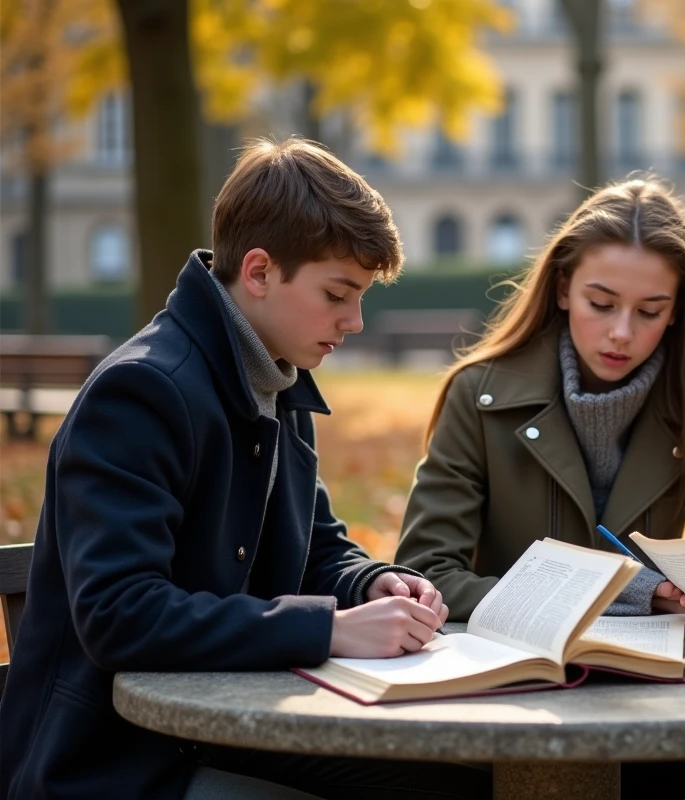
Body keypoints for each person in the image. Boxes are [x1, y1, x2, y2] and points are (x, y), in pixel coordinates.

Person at [0, 138, 490, 800]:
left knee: (455, 781)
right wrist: (330, 630)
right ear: (259, 272)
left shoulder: (277, 376)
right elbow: (120, 613)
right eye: (338, 293)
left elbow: (317, 546)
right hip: (119, 761)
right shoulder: (144, 392)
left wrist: (374, 583)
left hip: (240, 725)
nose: (355, 321)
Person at [394, 175, 685, 797]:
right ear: (563, 289)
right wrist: (630, 595)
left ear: (676, 310)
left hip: (653, 711)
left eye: (650, 311)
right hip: (508, 703)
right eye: (602, 304)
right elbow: (425, 572)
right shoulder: (480, 393)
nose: (622, 332)